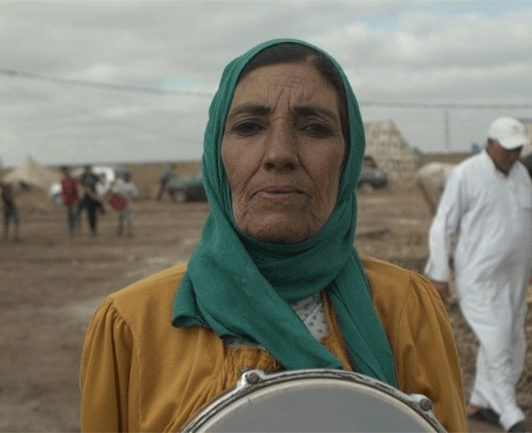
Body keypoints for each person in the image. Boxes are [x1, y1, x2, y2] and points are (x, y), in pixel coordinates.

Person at [80, 39, 467, 432]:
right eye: (249, 127)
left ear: (348, 158)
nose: (280, 153)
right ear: (217, 154)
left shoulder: (407, 309)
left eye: (315, 128)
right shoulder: (131, 325)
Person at [425, 116, 532, 433]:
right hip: (478, 278)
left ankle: (481, 402)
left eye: (518, 149)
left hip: (515, 281)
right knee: (497, 344)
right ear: (490, 144)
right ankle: (510, 414)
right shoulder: (466, 174)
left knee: (513, 341)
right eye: (507, 149)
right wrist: (439, 272)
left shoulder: (521, 174)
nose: (513, 155)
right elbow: (443, 224)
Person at [107, 171, 138, 237]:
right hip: (119, 203)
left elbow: (135, 196)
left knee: (128, 218)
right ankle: (120, 229)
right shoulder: (119, 182)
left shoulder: (132, 186)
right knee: (120, 217)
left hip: (128, 204)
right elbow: (111, 185)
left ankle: (129, 232)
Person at [78, 165, 102, 237]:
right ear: (85, 170)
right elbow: (80, 185)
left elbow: (101, 181)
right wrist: (85, 189)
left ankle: (93, 230)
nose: (88, 171)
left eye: (89, 169)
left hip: (94, 197)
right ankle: (83, 227)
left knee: (94, 214)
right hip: (87, 197)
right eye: (87, 169)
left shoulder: (94, 176)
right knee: (85, 213)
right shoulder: (83, 177)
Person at [60, 166, 81, 236]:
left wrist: (73, 190)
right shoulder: (63, 180)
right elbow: (63, 191)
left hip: (74, 200)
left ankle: (76, 228)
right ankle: (72, 229)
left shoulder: (74, 179)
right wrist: (63, 199)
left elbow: (77, 189)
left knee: (74, 214)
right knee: (70, 216)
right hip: (68, 200)